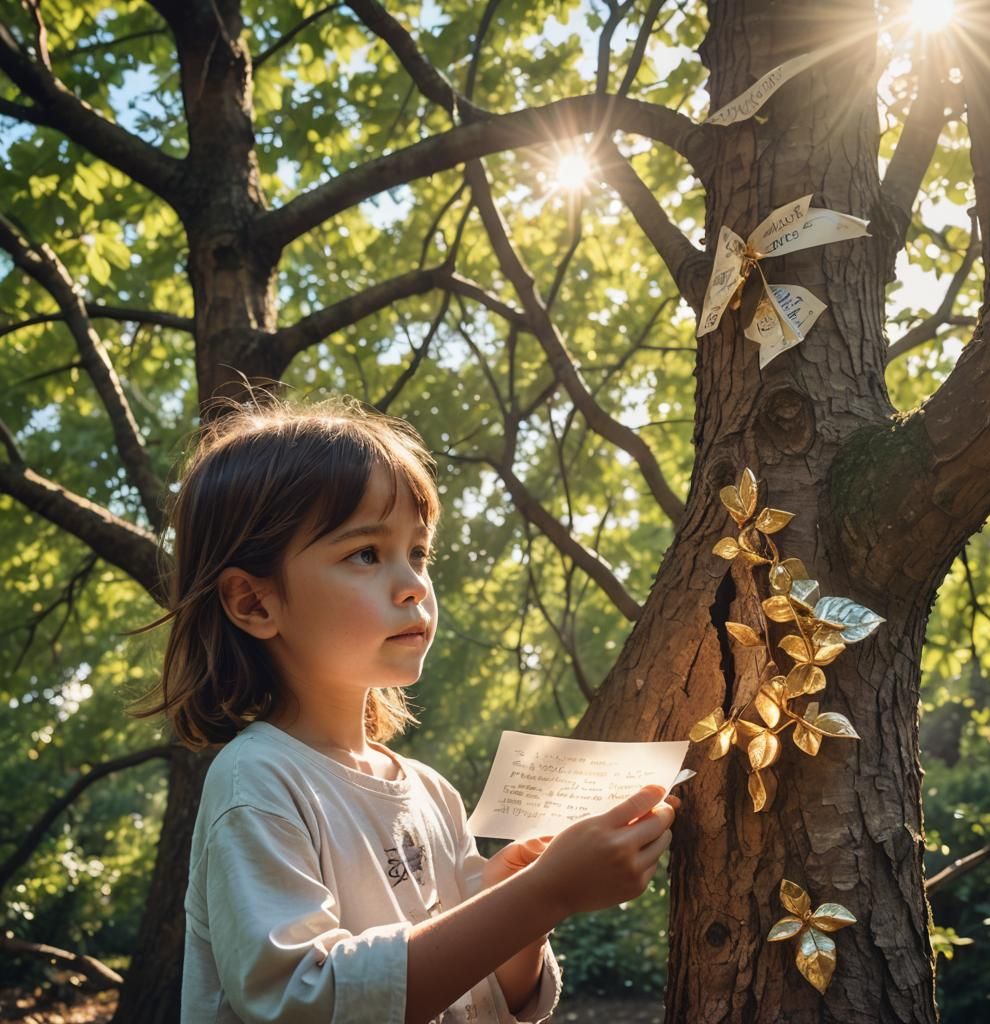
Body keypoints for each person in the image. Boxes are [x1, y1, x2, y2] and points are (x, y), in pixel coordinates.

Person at [136, 396, 677, 1024]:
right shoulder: (256, 782)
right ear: (254, 603)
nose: (414, 583)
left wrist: (523, 908)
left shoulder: (433, 794)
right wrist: (541, 894)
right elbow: (302, 1000)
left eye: (418, 553)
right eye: (365, 553)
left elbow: (491, 1000)